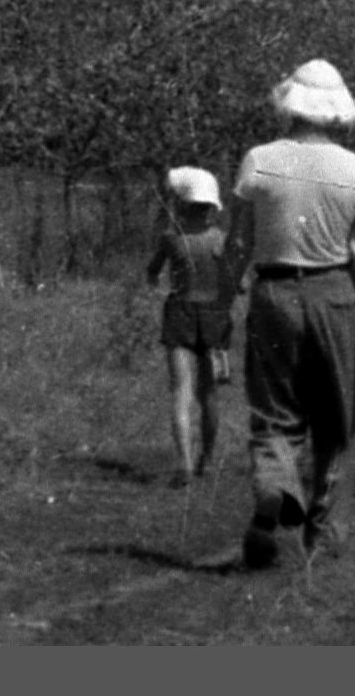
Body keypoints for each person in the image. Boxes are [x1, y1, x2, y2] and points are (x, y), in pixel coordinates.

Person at [228, 58, 355, 569]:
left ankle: (275, 488)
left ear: (289, 103)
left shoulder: (258, 159)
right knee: (334, 414)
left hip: (274, 294)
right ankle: (321, 526)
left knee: (274, 410)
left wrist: (223, 296)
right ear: (336, 111)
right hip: (336, 295)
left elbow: (238, 242)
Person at [145, 166, 235, 484]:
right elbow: (236, 283)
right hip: (214, 315)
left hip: (180, 311)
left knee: (180, 391)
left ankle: (183, 463)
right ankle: (207, 460)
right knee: (209, 393)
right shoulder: (221, 241)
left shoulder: (172, 238)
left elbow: (152, 271)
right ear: (211, 206)